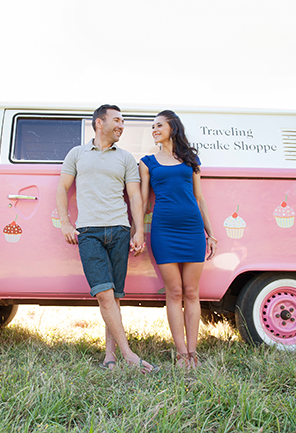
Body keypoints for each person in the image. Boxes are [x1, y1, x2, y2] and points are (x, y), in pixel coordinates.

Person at [56, 104, 158, 373]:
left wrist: (138, 230)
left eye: (122, 121)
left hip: (119, 230)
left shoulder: (125, 157)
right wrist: (66, 223)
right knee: (104, 295)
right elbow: (62, 188)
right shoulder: (77, 154)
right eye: (117, 120)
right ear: (99, 123)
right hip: (88, 232)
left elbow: (135, 196)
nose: (121, 125)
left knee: (114, 297)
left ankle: (109, 356)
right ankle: (129, 355)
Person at [139, 110, 217, 369]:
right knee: (173, 292)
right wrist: (137, 230)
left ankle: (193, 352)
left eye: (159, 125)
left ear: (172, 127)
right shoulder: (147, 162)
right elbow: (142, 201)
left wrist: (211, 233)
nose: (154, 129)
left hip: (192, 230)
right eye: (152, 126)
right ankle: (181, 353)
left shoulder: (190, 160)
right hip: (164, 231)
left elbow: (201, 198)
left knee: (192, 292)